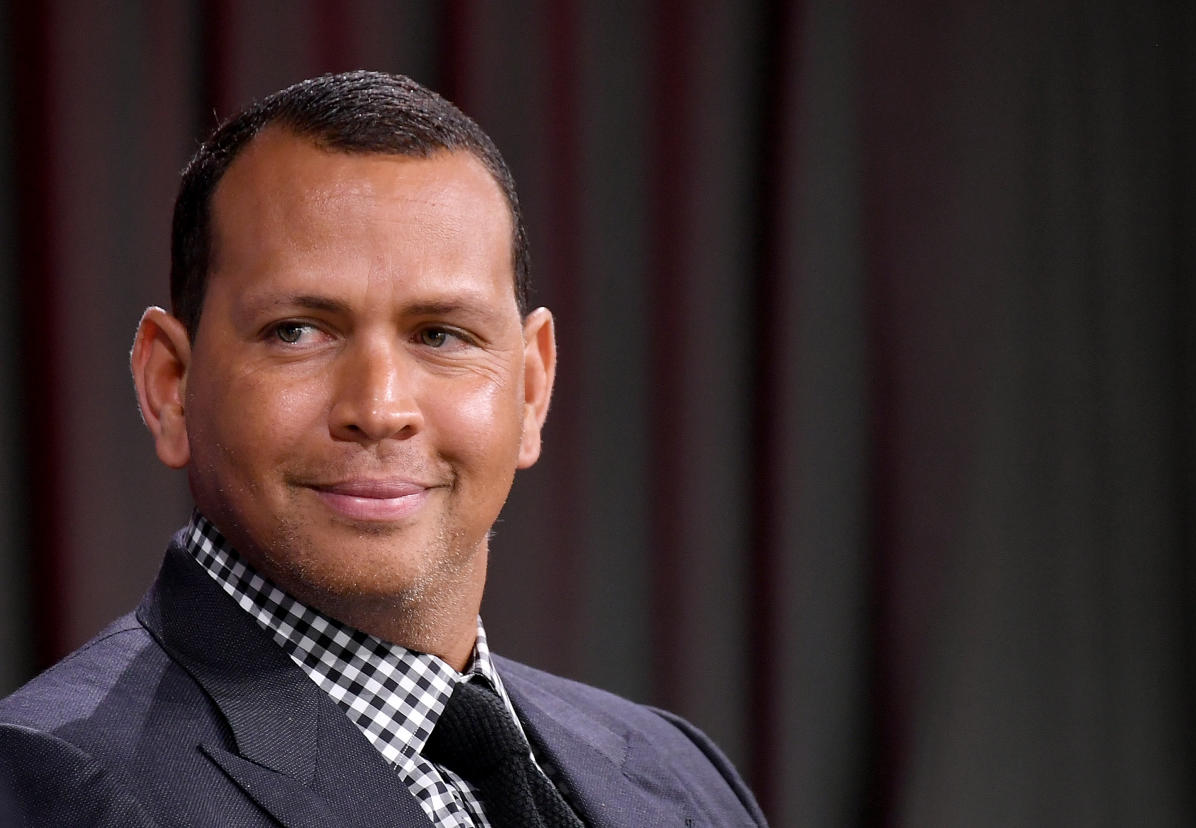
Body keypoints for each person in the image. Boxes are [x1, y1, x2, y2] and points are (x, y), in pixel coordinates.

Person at [0, 71, 766, 827]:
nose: (379, 408)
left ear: (531, 390)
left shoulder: (682, 776)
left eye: (441, 335)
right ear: (170, 383)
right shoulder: (56, 789)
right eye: (296, 332)